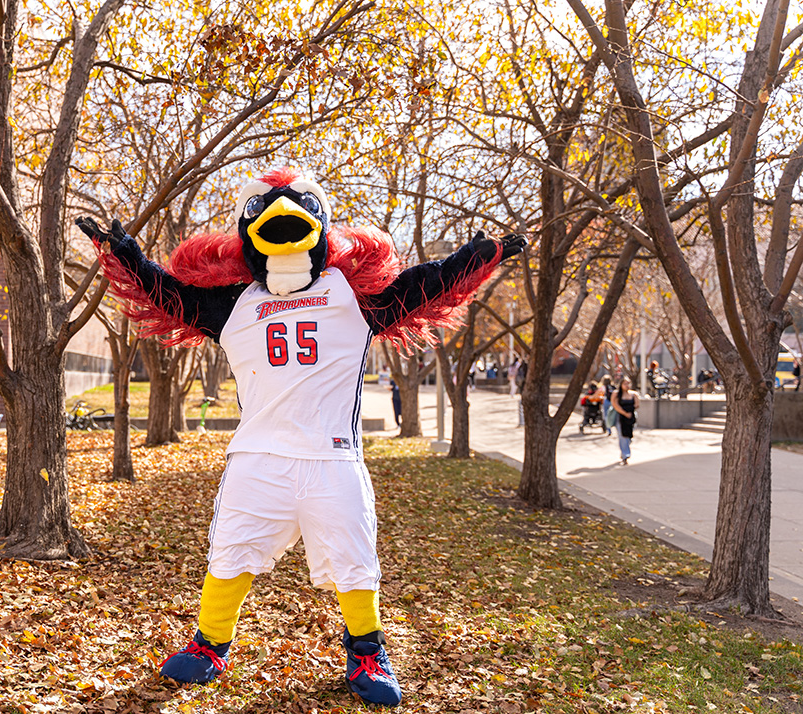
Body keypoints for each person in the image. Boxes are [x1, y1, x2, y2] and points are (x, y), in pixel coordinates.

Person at [77, 168, 526, 707]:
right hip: (258, 457)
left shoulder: (354, 297)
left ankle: (366, 652)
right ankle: (211, 644)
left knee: (354, 558)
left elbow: (421, 286)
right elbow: (165, 293)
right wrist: (121, 252)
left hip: (331, 457)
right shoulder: (232, 303)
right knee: (230, 552)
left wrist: (474, 260)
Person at [611, 376, 639, 465]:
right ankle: (625, 455)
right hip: (621, 417)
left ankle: (625, 451)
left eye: (628, 383)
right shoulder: (616, 394)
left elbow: (637, 405)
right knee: (622, 436)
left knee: (629, 437)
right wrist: (624, 413)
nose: (627, 385)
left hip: (631, 418)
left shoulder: (633, 394)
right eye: (625, 383)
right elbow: (615, 405)